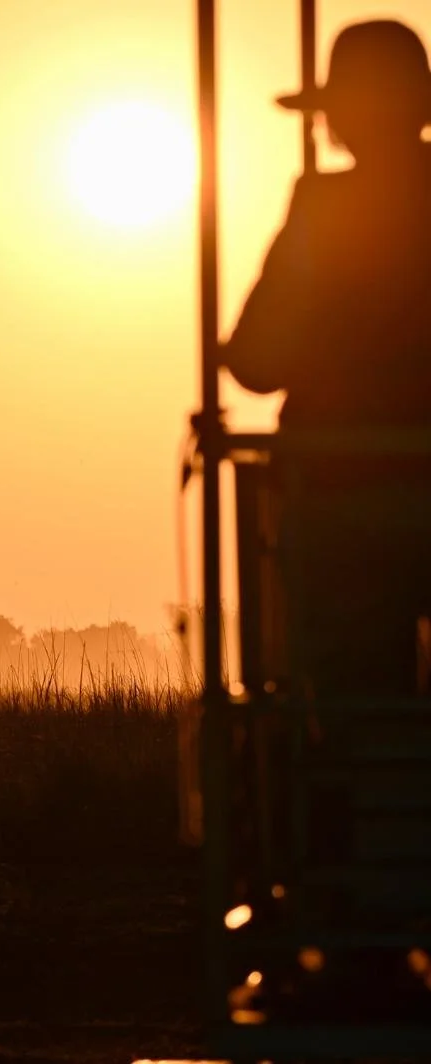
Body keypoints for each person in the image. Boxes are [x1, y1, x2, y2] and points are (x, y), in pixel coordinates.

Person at [224, 19, 431, 698]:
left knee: (349, 697)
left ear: (339, 116)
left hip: (341, 498)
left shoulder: (322, 208)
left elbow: (257, 363)